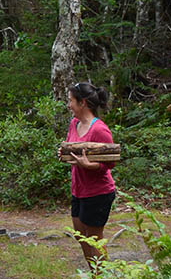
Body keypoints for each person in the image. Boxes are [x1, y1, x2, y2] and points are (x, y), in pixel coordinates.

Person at [58, 82, 116, 267]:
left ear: (82, 102)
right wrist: (63, 154)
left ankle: (102, 274)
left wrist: (89, 165)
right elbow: (70, 147)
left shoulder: (99, 130)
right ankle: (94, 272)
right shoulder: (74, 123)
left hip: (98, 192)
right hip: (78, 189)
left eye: (71, 101)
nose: (69, 105)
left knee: (94, 239)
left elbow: (110, 163)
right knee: (80, 235)